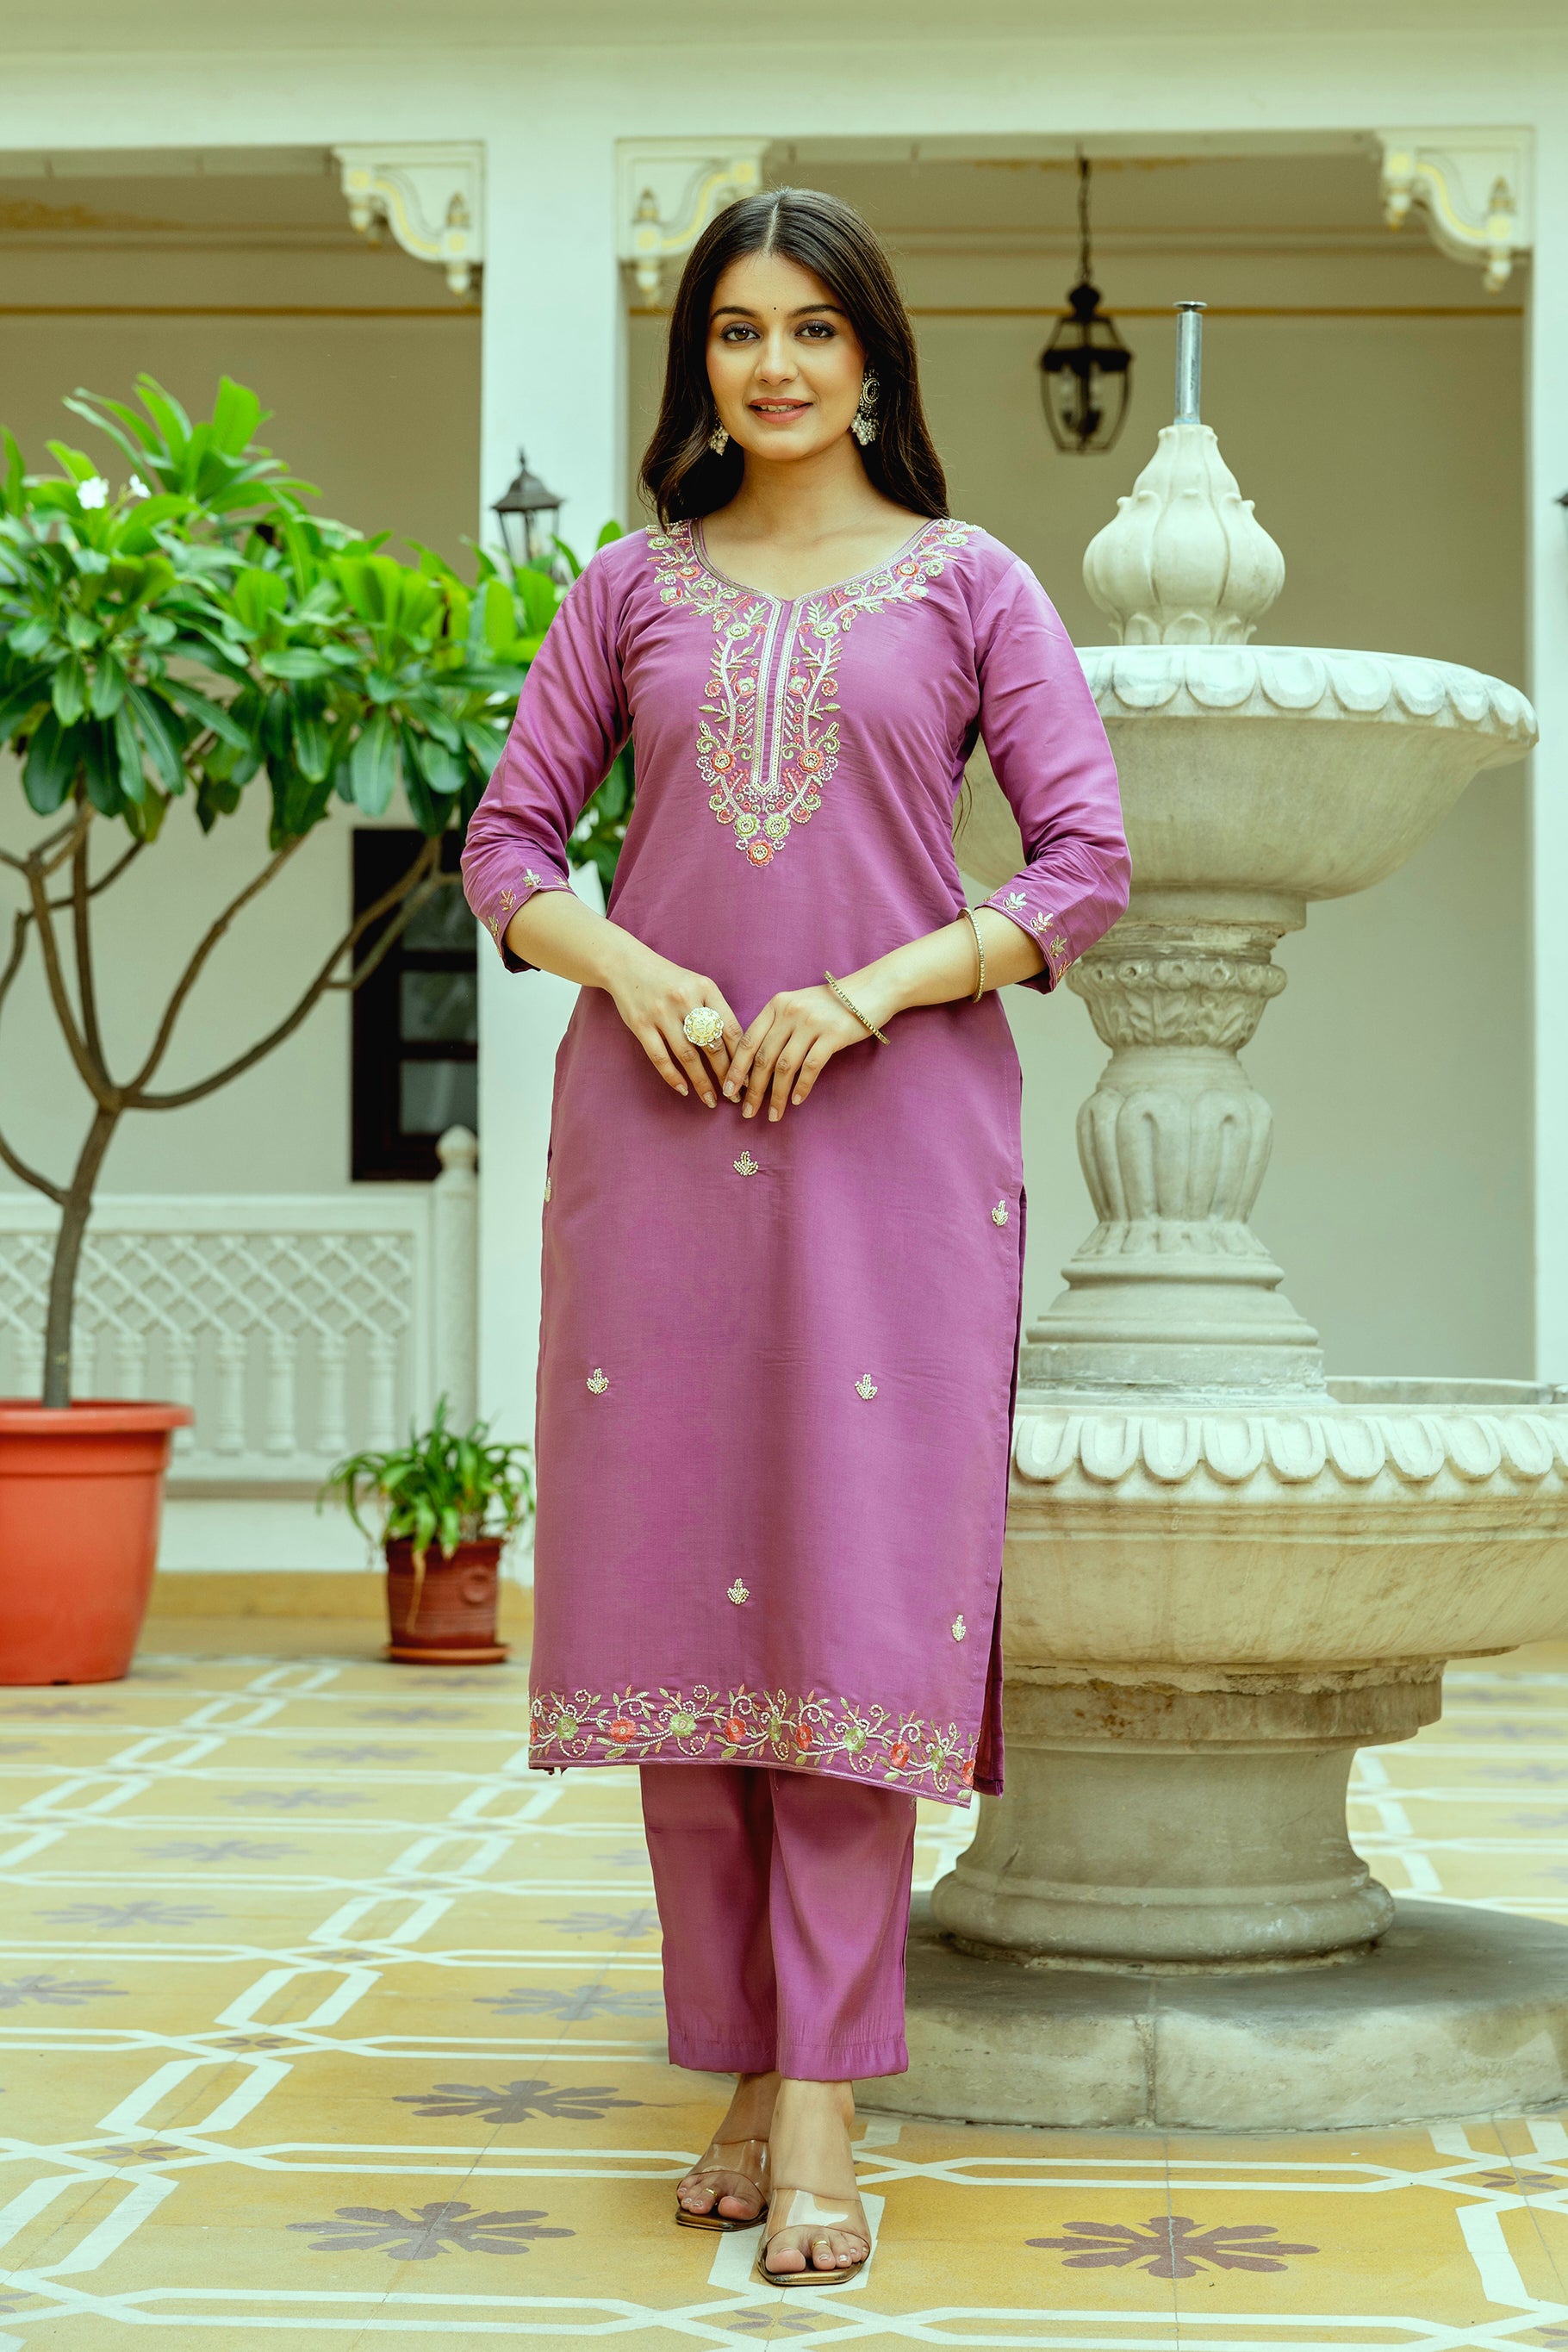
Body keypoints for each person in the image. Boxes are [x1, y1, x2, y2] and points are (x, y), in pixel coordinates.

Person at [461, 184, 1128, 2287]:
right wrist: (627, 966)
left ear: (874, 359)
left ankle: (825, 2100)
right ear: (702, 366)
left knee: (846, 1609)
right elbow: (504, 844)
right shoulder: (627, 591)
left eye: (812, 329)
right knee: (683, 1621)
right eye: (737, 330)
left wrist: (866, 992)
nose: (772, 365)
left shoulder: (970, 584)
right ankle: (746, 2055)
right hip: (655, 1149)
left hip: (889, 1145)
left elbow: (1084, 864)